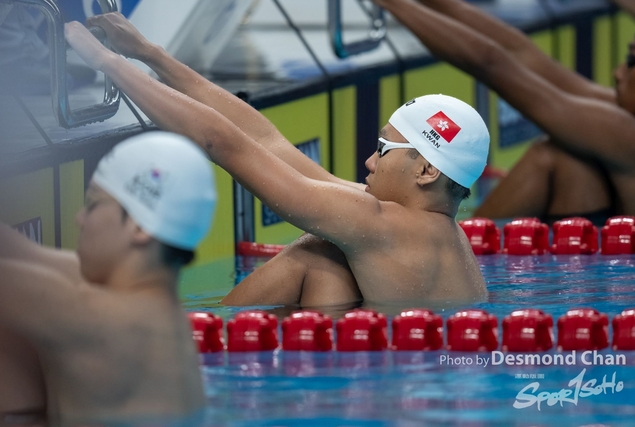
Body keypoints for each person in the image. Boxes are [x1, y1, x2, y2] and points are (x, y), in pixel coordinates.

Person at [65, 13, 490, 309]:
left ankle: (195, 342)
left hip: (386, 390)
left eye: (382, 149)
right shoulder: (437, 235)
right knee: (326, 264)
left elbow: (222, 144)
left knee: (314, 252)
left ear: (426, 171)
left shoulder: (375, 223)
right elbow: (268, 142)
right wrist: (150, 54)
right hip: (410, 379)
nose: (368, 161)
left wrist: (108, 63)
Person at [0, 132, 216, 423]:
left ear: (139, 227)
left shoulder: (100, 321)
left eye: (92, 203)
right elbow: (23, 253)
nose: (80, 218)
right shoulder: (157, 316)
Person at [371, 0, 635, 226]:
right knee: (570, 158)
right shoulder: (620, 127)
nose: (617, 72)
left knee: (553, 156)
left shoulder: (628, 136)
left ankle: (454, 250)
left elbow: (491, 63)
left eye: (631, 61)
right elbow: (516, 49)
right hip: (610, 265)